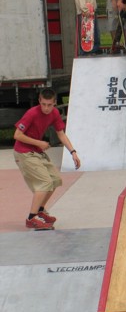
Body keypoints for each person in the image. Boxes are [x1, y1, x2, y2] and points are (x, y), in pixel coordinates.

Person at [13, 89, 81, 231]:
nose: (46, 108)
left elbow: (61, 134)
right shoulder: (32, 113)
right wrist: (39, 143)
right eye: (43, 104)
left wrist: (73, 152)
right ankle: (31, 218)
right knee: (45, 182)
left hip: (36, 152)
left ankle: (40, 211)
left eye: (49, 105)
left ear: (55, 103)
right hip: (24, 152)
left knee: (55, 179)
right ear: (39, 101)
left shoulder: (54, 113)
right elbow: (17, 135)